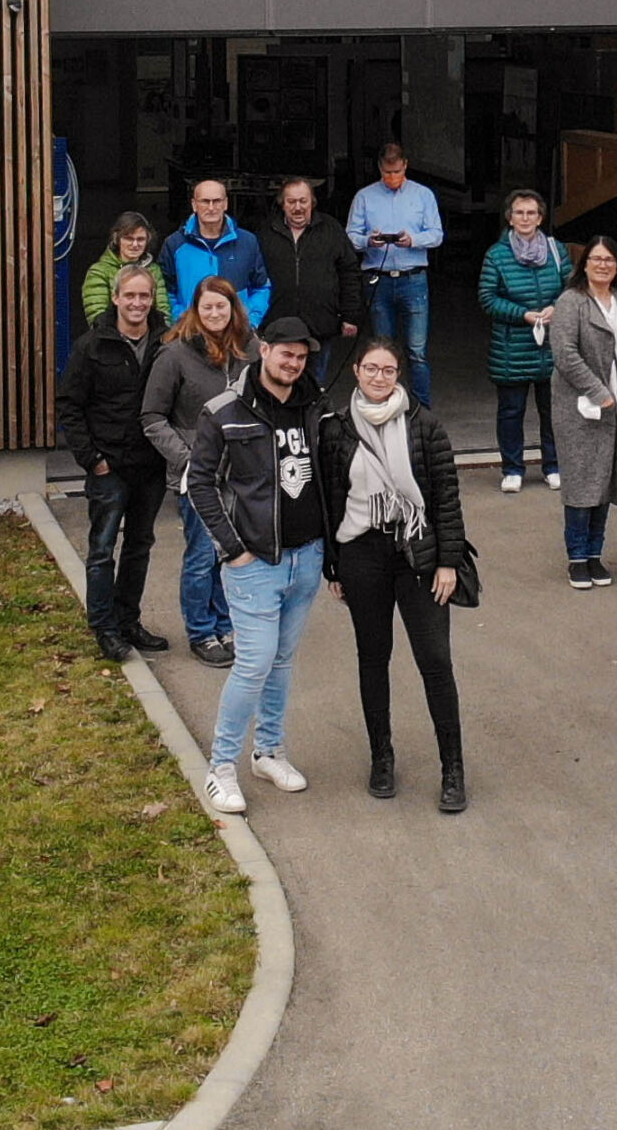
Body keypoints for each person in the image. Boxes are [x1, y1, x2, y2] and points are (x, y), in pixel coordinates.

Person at [318, 339, 469, 812]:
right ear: (357, 371)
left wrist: (449, 560)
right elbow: (330, 499)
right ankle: (381, 757)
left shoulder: (425, 426)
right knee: (372, 657)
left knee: (435, 662)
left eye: (388, 370)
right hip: (362, 551)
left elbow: (446, 497)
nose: (379, 377)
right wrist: (333, 564)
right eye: (370, 368)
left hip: (419, 553)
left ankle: (453, 769)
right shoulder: (337, 430)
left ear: (399, 374)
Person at [187, 317, 327, 815]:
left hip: (307, 556)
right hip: (254, 563)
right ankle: (220, 767)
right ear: (263, 350)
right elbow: (198, 483)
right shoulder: (223, 410)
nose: (293, 364)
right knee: (253, 664)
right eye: (285, 354)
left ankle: (269, 751)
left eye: (302, 357)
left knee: (282, 662)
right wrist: (232, 548)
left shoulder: (316, 403)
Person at [141, 276, 258, 667]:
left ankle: (226, 624)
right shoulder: (174, 355)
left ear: (233, 308)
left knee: (234, 551)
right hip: (197, 475)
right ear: (195, 309)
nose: (214, 314)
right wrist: (188, 460)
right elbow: (153, 417)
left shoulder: (251, 349)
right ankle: (201, 631)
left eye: (221, 307)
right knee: (202, 555)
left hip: (241, 473)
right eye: (206, 307)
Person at [57, 265, 170, 662]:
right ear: (116, 298)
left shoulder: (166, 343)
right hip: (108, 467)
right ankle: (104, 628)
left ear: (152, 299)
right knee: (103, 549)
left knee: (140, 546)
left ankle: (128, 621)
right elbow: (70, 405)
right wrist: (92, 459)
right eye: (130, 296)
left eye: (144, 296)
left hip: (150, 466)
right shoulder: (92, 345)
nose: (137, 303)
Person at [548, 237, 617, 588]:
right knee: (580, 484)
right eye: (596, 259)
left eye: (609, 259)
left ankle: (596, 556)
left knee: (604, 484)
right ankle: (577, 558)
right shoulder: (571, 302)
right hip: (579, 408)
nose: (602, 265)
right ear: (584, 264)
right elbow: (565, 354)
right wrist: (598, 392)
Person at [477, 189, 571, 493]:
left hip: (552, 345)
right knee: (511, 411)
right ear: (509, 217)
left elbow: (573, 289)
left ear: (540, 218)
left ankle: (553, 465)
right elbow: (487, 299)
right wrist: (523, 314)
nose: (525, 218)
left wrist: (557, 307)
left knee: (553, 410)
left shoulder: (557, 251)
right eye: (519, 212)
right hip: (512, 346)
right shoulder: (496, 254)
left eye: (531, 213)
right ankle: (513, 469)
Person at [345, 144, 444, 405]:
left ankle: (422, 410)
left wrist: (413, 240)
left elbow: (437, 235)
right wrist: (369, 240)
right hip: (379, 278)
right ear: (380, 168)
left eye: (397, 172)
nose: (392, 178)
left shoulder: (423, 195)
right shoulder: (364, 196)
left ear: (406, 166)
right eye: (387, 172)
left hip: (413, 277)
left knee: (417, 351)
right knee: (382, 350)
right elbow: (350, 237)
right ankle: (385, 405)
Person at [259, 178, 363, 384]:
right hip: (278, 323)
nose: (298, 207)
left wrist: (350, 315)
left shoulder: (331, 229)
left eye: (303, 201)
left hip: (320, 323)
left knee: (315, 384)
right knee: (278, 382)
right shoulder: (266, 232)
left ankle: (311, 416)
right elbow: (253, 276)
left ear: (312, 202)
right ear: (282, 204)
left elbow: (349, 272)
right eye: (291, 202)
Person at [159, 178, 271, 326]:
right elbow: (165, 291)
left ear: (226, 204)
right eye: (205, 201)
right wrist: (182, 320)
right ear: (194, 204)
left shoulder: (247, 242)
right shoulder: (174, 244)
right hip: (190, 335)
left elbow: (261, 287)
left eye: (217, 201)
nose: (211, 207)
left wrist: (248, 321)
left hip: (236, 335)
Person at [80, 211, 157, 326]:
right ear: (117, 239)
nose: (135, 244)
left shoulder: (154, 270)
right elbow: (97, 316)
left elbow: (163, 311)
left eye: (140, 239)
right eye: (129, 239)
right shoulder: (98, 272)